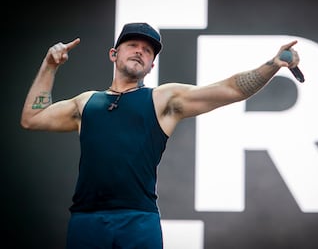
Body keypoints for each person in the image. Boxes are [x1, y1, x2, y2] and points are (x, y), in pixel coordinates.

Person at [20, 22, 300, 248]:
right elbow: (33, 118)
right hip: (86, 221)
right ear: (113, 54)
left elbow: (232, 89)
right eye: (132, 45)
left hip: (138, 221)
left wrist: (272, 65)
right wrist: (50, 65)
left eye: (148, 50)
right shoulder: (86, 103)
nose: (140, 51)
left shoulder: (163, 99)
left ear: (152, 65)